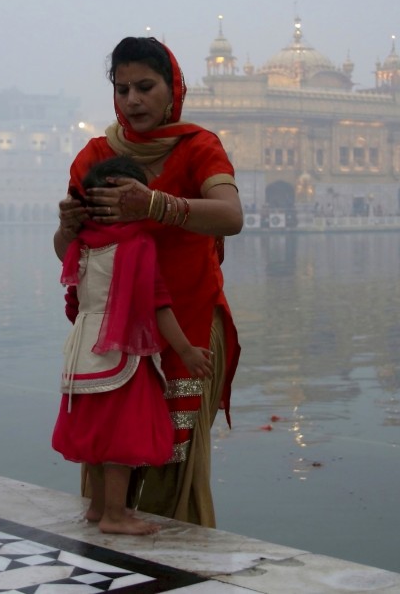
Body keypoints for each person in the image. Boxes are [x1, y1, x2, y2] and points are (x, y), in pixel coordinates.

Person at [54, 37, 243, 527]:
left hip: (185, 322)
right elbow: (72, 256)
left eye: (145, 86)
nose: (132, 100)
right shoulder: (96, 155)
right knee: (106, 450)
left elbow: (230, 216)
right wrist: (67, 228)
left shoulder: (198, 147)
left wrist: (154, 204)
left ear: (172, 88)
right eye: (122, 89)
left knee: (169, 463)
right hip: (113, 334)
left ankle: (168, 572)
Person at [53, 155, 214, 535]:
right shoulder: (137, 246)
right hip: (120, 350)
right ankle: (116, 514)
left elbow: (72, 283)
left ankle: (96, 506)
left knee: (92, 432)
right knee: (121, 437)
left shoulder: (83, 244)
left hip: (82, 350)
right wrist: (187, 351)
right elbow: (158, 305)